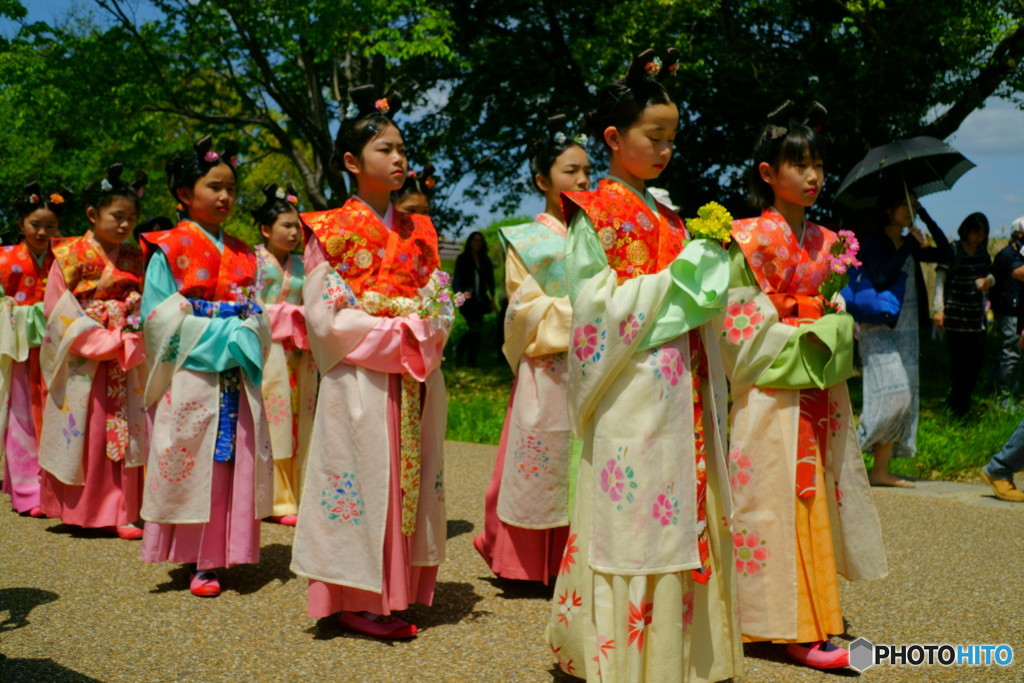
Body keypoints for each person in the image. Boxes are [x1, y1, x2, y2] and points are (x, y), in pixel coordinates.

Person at [545, 49, 742, 682]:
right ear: (612, 137)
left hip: (679, 384)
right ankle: (624, 661)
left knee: (678, 510)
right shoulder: (592, 212)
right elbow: (592, 309)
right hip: (630, 387)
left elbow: (691, 296)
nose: (665, 150)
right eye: (653, 136)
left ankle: (674, 660)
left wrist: (702, 269)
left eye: (671, 139)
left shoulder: (667, 213)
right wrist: (680, 279)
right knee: (633, 519)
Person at [719, 102, 887, 669]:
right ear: (768, 173)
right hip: (771, 388)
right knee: (769, 500)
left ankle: (804, 620)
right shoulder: (745, 239)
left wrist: (827, 317)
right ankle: (778, 624)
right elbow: (735, 323)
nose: (813, 176)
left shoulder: (825, 241)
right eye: (799, 165)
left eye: (817, 165)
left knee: (812, 498)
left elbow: (835, 306)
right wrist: (804, 328)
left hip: (813, 385)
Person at [291, 84, 450, 640]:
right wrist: (402, 332)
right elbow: (324, 316)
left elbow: (439, 302)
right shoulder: (328, 231)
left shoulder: (420, 230)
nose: (400, 158)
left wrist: (426, 330)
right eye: (385, 149)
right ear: (353, 163)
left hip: (410, 375)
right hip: (358, 377)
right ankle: (355, 596)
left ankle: (395, 589)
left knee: (403, 479)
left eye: (402, 148)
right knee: (360, 477)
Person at [139, 136, 273, 598]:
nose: (225, 197)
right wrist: (226, 334)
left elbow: (260, 310)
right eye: (214, 187)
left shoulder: (245, 252)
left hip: (232, 373)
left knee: (228, 459)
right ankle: (196, 558)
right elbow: (158, 319)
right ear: (183, 194)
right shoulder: (167, 247)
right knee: (191, 456)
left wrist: (250, 328)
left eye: (231, 189)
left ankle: (222, 552)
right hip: (192, 372)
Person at [473, 115, 590, 583]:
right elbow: (521, 309)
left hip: (590, 368)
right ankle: (521, 562)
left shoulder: (598, 237)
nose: (582, 179)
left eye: (586, 170)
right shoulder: (525, 239)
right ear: (543, 180)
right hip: (546, 369)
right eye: (569, 171)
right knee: (536, 464)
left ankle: (571, 557)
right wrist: (583, 313)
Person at [37, 165, 148, 539]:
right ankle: (82, 509)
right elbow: (57, 310)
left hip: (124, 354)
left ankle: (123, 509)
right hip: (86, 355)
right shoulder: (68, 254)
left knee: (124, 430)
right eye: (117, 216)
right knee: (87, 429)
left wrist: (131, 327)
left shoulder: (135, 257)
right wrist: (99, 337)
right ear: (92, 215)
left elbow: (145, 302)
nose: (124, 225)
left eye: (131, 218)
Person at [856, 188, 953, 486]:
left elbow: (949, 254)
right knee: (890, 394)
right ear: (888, 209)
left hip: (907, 331)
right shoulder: (875, 242)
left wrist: (925, 216)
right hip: (877, 329)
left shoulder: (910, 243)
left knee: (903, 396)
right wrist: (908, 244)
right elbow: (881, 277)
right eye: (904, 205)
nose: (909, 209)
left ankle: (879, 470)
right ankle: (850, 456)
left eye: (912, 205)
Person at [0, 183, 70, 517]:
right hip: (18, 348)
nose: (42, 232)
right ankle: (28, 492)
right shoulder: (4, 258)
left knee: (56, 414)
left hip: (55, 348)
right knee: (22, 418)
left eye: (50, 226)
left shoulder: (66, 259)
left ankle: (52, 488)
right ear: (21, 224)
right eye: (35, 225)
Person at [252, 183, 317, 526]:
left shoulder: (305, 265)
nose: (294, 233)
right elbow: (250, 307)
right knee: (270, 421)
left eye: (297, 227)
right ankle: (274, 497)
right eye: (286, 226)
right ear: (266, 229)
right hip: (266, 352)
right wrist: (286, 317)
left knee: (297, 420)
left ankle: (296, 493)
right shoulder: (252, 262)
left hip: (299, 354)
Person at [932, 213, 994, 417]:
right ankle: (958, 406)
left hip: (976, 317)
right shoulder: (953, 250)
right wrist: (938, 310)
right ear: (966, 230)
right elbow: (940, 280)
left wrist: (988, 282)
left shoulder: (983, 255)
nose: (978, 238)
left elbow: (992, 276)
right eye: (976, 233)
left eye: (982, 234)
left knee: (975, 363)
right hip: (956, 315)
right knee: (959, 363)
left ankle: (962, 402)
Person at [989, 220, 1024, 405]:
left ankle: (1004, 389)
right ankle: (1003, 397)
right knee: (1011, 352)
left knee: (1014, 352)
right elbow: (995, 282)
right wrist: (996, 311)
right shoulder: (1008, 254)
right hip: (1009, 310)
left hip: (1016, 310)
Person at [453, 231, 496, 366]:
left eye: (479, 241)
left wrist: (492, 298)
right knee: (474, 328)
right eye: (474, 240)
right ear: (470, 242)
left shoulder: (485, 260)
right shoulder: (463, 258)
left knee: (477, 331)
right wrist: (460, 293)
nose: (477, 243)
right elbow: (456, 279)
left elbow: (491, 281)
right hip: (467, 300)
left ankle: (470, 359)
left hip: (481, 300)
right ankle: (460, 350)